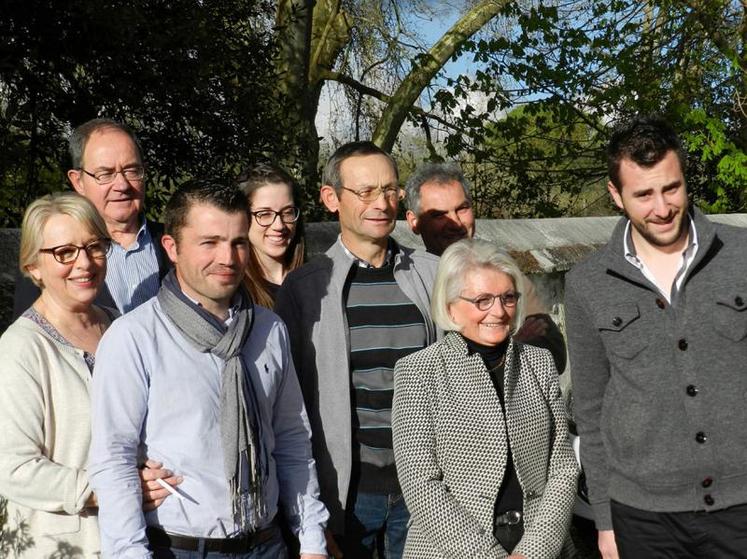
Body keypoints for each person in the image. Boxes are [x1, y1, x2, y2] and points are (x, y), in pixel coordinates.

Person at [88, 180, 328, 558]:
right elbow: (114, 459)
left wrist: (312, 540)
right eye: (209, 242)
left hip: (268, 543)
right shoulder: (134, 337)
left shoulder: (269, 329)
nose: (228, 259)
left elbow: (292, 440)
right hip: (181, 548)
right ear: (172, 248)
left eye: (238, 242)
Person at [565, 115, 747, 558]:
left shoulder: (741, 254)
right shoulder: (587, 283)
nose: (662, 208)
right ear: (616, 195)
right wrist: (605, 522)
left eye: (671, 188)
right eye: (643, 194)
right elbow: (590, 412)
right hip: (643, 519)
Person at [275, 141, 439, 558]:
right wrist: (309, 514)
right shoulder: (306, 288)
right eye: (364, 191)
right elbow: (291, 409)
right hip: (348, 495)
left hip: (424, 488)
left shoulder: (432, 274)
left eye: (389, 189)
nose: (381, 203)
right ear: (331, 198)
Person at [0, 192, 176, 559]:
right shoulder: (21, 348)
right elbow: (13, 468)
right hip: (64, 545)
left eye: (94, 246)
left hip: (139, 539)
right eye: (64, 252)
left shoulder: (120, 326)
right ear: (33, 266)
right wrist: (116, 489)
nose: (85, 263)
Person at [392, 238, 578, 558]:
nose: (499, 311)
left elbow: (562, 468)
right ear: (450, 306)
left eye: (507, 297)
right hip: (451, 551)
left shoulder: (539, 362)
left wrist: (534, 550)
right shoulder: (418, 372)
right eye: (482, 300)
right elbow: (420, 484)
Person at [404, 161, 567, 372]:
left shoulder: (503, 272)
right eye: (439, 215)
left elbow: (554, 355)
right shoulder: (407, 282)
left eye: (462, 209)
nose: (455, 222)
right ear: (414, 221)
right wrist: (508, 343)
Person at [12, 118, 170, 318]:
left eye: (131, 170)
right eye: (105, 174)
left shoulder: (178, 242)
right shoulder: (49, 255)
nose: (122, 185)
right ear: (78, 181)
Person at [238, 163, 305, 308]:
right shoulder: (235, 292)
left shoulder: (319, 281)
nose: (279, 225)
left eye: (287, 212)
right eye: (265, 214)